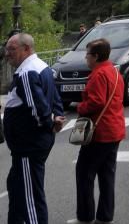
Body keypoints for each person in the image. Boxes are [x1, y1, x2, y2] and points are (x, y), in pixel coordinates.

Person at [3, 32, 65, 224]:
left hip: (28, 145)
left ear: (26, 49)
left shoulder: (26, 73)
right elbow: (55, 99)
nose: (7, 54)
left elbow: (37, 108)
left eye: (12, 49)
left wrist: (49, 124)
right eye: (6, 49)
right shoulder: (43, 67)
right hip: (33, 143)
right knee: (15, 185)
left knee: (30, 197)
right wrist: (57, 117)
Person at [67, 38, 125, 224]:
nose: (86, 58)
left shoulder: (98, 74)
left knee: (84, 173)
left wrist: (80, 107)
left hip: (99, 132)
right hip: (114, 129)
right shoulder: (115, 73)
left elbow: (96, 101)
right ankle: (105, 216)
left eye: (88, 54)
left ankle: (85, 217)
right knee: (107, 175)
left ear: (96, 56)